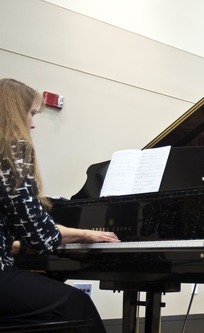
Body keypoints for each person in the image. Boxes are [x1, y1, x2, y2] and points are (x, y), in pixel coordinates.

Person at [0, 78, 120, 330]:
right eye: (31, 113)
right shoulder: (11, 151)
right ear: (13, 112)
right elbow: (41, 236)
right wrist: (86, 234)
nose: (33, 124)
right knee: (77, 304)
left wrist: (79, 234)